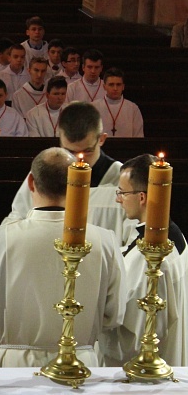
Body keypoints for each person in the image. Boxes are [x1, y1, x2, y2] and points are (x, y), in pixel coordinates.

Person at [0, 147, 126, 368]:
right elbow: (114, 314)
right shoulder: (105, 242)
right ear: (80, 185)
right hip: (79, 365)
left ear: (31, 183)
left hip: (11, 369)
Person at [100, 154, 186, 367]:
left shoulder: (150, 256)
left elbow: (134, 337)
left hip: (146, 372)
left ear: (141, 197)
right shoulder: (174, 235)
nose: (118, 199)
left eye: (122, 192)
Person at [4, 102, 132, 245]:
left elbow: (130, 235)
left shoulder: (119, 179)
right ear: (60, 140)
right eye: (70, 151)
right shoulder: (46, 172)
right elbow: (17, 218)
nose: (78, 160)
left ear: (101, 139)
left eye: (87, 151)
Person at [92, 68, 143, 137]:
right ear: (104, 87)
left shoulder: (133, 109)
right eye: (111, 85)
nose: (115, 88)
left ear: (123, 87)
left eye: (118, 84)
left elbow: (138, 137)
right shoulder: (94, 108)